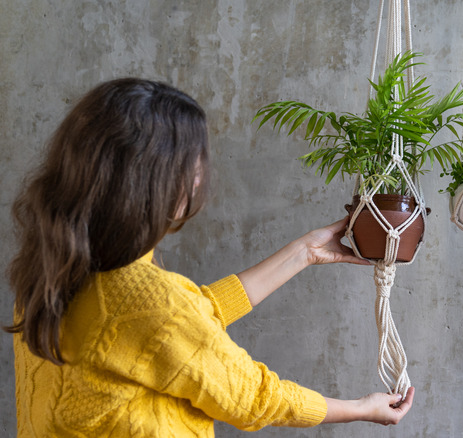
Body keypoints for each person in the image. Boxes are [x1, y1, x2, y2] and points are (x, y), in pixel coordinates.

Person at [5, 78, 414, 436]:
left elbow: (180, 322)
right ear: (154, 180)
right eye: (193, 164)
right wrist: (362, 409)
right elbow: (252, 396)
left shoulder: (52, 274)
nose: (201, 176)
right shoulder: (146, 299)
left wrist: (303, 253)